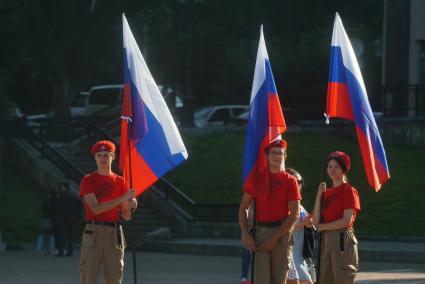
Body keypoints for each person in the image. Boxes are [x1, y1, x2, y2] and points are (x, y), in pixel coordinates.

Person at [239, 139, 301, 284]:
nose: (276, 156)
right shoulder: (256, 178)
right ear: (266, 156)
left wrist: (275, 237)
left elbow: (295, 213)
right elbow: (243, 208)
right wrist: (245, 232)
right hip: (260, 233)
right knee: (261, 279)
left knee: (279, 280)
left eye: (280, 153)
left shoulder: (290, 181)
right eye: (273, 152)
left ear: (285, 157)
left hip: (282, 233)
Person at [79, 140, 137, 284]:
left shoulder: (121, 182)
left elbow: (126, 216)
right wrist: (123, 198)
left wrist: (130, 206)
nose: (102, 159)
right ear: (95, 158)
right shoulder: (88, 180)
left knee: (115, 277)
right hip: (93, 231)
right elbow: (96, 209)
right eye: (99, 155)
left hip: (115, 232)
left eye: (106, 155)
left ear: (113, 157)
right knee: (88, 276)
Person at [312, 151, 361, 284]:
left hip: (342, 240)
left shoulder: (349, 191)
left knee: (341, 279)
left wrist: (323, 227)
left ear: (344, 170)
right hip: (326, 241)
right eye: (330, 166)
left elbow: (346, 221)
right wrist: (318, 196)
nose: (332, 170)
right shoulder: (326, 193)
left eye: (337, 167)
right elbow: (315, 222)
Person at [286, 168, 314, 284]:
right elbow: (288, 225)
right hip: (290, 254)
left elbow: (309, 222)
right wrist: (304, 221)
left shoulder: (298, 204)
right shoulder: (286, 202)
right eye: (295, 181)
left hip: (299, 254)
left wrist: (310, 220)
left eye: (300, 182)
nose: (298, 184)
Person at [36, 188, 55, 254]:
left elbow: (43, 209)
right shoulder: (56, 201)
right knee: (51, 235)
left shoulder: (47, 200)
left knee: (42, 234)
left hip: (45, 219)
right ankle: (50, 249)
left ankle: (39, 249)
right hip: (52, 220)